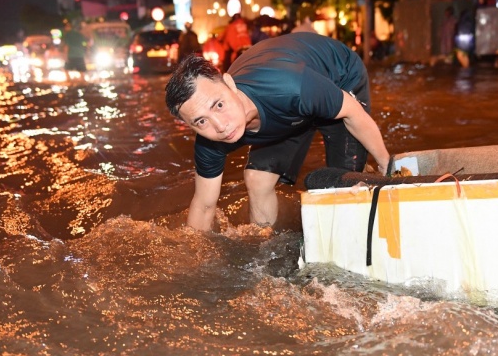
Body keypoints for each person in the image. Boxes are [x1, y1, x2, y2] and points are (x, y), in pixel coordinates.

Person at [164, 32, 391, 232]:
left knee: (343, 189)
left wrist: (387, 165)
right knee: (257, 179)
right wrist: (191, 263)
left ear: (230, 85)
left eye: (219, 105)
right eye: (201, 121)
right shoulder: (209, 143)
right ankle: (264, 248)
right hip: (292, 104)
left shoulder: (290, 87)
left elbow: (354, 113)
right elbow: (204, 205)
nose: (220, 126)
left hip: (338, 77)